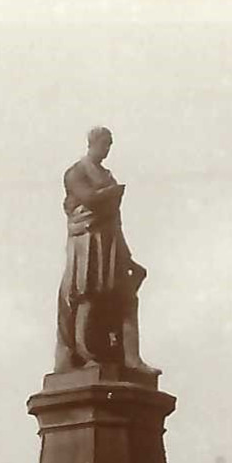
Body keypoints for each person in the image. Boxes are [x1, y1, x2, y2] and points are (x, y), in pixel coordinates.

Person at [57, 126, 155, 374]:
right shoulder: (76, 172)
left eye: (110, 145)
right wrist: (113, 192)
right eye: (105, 144)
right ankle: (86, 352)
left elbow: (114, 220)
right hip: (87, 241)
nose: (108, 149)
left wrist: (128, 257)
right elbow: (88, 198)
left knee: (126, 297)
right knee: (88, 293)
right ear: (93, 142)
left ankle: (132, 357)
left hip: (109, 241)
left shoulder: (107, 175)